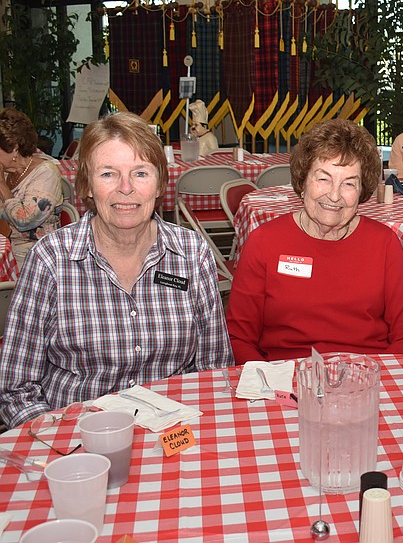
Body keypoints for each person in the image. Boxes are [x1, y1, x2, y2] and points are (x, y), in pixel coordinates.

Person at [0, 112, 234, 428]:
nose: (126, 188)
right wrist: (60, 443)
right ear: (87, 186)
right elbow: (15, 390)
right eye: (108, 174)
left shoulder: (192, 254)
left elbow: (214, 369)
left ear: (160, 184)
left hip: (175, 436)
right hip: (78, 442)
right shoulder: (50, 260)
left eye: (140, 173)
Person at [227, 118, 403, 363]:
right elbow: (238, 338)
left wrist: (372, 375)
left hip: (366, 376)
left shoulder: (383, 243)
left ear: (362, 191)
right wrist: (268, 380)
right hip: (285, 377)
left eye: (349, 183)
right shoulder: (264, 241)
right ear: (302, 181)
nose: (334, 195)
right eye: (323, 178)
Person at [0, 108, 63, 266]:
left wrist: (1, 184)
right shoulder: (8, 172)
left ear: (14, 148)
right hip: (8, 248)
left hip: (35, 256)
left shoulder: (46, 173)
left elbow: (24, 221)